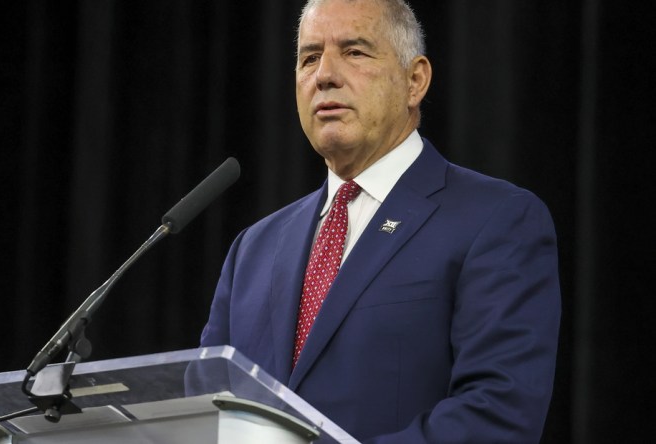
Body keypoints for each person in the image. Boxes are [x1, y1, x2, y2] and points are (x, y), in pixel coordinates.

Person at [200, 0, 561, 442]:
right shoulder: (253, 249)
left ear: (415, 81)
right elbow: (205, 409)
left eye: (354, 52)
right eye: (309, 57)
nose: (325, 75)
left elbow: (497, 416)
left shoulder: (496, 220)